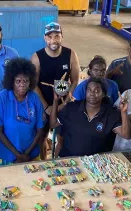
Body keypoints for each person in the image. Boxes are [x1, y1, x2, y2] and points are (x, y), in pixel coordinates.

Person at [31, 22, 80, 159]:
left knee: (63, 136)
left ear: (62, 37)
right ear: (45, 38)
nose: (53, 40)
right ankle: (43, 161)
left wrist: (64, 104)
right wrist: (46, 107)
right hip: (43, 104)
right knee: (41, 136)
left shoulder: (70, 55)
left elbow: (75, 81)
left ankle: (57, 162)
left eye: (57, 36)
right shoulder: (37, 57)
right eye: (50, 37)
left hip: (64, 104)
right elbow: (33, 84)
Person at [49, 77, 131, 157]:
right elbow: (53, 124)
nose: (92, 93)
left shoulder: (110, 114)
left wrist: (124, 112)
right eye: (89, 90)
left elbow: (126, 135)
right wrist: (55, 101)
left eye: (97, 90)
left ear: (103, 94)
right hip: (70, 160)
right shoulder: (71, 108)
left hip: (95, 164)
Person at [0, 58, 45, 166]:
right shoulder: (3, 97)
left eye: (26, 81)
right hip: (5, 156)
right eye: (18, 81)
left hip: (31, 155)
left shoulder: (35, 99)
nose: (22, 84)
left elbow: (40, 131)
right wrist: (18, 155)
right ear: (11, 81)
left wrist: (26, 154)